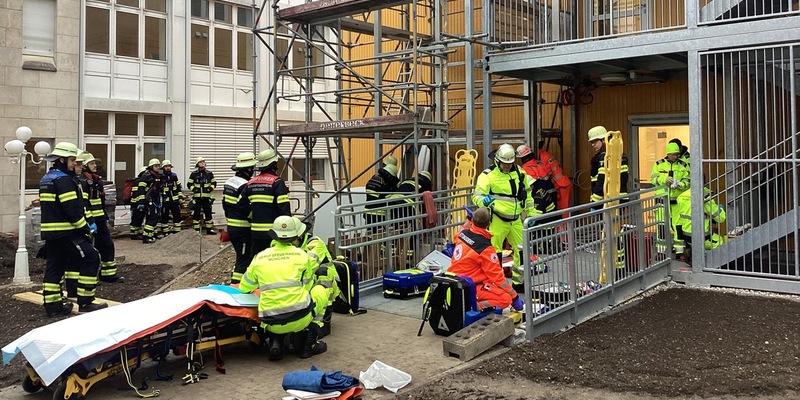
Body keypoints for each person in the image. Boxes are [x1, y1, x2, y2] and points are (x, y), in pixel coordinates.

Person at [239, 216, 329, 361]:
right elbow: (306, 287)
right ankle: (309, 343)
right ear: (296, 236)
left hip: (270, 322)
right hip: (300, 318)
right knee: (320, 291)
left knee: (269, 302)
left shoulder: (260, 258)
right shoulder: (302, 256)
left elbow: (244, 287)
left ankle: (276, 341)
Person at [39, 142, 107, 316]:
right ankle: (86, 301)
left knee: (56, 266)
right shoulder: (65, 180)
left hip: (51, 233)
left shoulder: (47, 178)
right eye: (72, 160)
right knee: (92, 256)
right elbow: (72, 210)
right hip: (66, 231)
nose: (76, 164)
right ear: (61, 159)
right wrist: (86, 228)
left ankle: (53, 306)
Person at [472, 143, 538, 289]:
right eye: (504, 164)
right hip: (497, 219)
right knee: (495, 254)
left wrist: (531, 214)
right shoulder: (487, 175)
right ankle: (496, 285)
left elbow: (527, 195)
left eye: (509, 163)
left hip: (516, 221)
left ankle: (519, 283)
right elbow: (476, 196)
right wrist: (484, 201)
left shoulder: (520, 173)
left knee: (522, 252)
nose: (507, 166)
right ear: (497, 161)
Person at [446, 207, 523, 311]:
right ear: (489, 224)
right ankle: (474, 307)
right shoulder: (486, 248)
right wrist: (515, 297)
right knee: (505, 299)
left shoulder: (462, 235)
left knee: (493, 286)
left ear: (473, 220)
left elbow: (463, 229)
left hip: (454, 281)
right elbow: (498, 278)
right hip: (472, 286)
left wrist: (469, 219)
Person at [78, 152, 123, 283]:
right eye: (91, 163)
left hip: (100, 220)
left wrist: (104, 216)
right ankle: (87, 278)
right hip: (90, 221)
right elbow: (84, 204)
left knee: (107, 246)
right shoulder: (83, 182)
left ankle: (108, 274)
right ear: (85, 166)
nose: (95, 165)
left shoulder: (95, 181)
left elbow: (100, 201)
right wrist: (90, 221)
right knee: (89, 251)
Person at [293, 216, 339, 337]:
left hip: (325, 282)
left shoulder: (315, 243)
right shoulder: (288, 245)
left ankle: (323, 323)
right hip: (305, 280)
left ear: (300, 235)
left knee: (323, 274)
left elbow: (310, 265)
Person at [240, 149, 291, 256]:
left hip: (255, 232)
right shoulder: (277, 183)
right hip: (274, 233)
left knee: (257, 260)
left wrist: (252, 217)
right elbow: (284, 209)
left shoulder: (250, 183)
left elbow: (241, 206)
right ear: (273, 165)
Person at [223, 152, 257, 284]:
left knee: (240, 257)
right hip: (243, 229)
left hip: (231, 226)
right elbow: (245, 208)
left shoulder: (229, 182)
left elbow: (226, 205)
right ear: (248, 169)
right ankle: (235, 286)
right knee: (243, 259)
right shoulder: (245, 185)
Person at [386, 170, 433, 266]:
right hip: (406, 205)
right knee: (413, 232)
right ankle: (407, 259)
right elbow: (427, 198)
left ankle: (393, 256)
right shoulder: (426, 182)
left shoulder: (409, 179)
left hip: (392, 203)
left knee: (396, 230)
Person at [650, 142, 690, 254]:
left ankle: (679, 250)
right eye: (673, 154)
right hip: (662, 199)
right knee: (662, 224)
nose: (675, 157)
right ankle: (661, 251)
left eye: (677, 154)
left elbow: (688, 180)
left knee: (678, 225)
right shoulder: (659, 164)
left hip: (677, 200)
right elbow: (653, 179)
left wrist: (680, 185)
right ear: (668, 154)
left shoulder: (683, 165)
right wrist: (664, 179)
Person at [673, 187, 726, 262]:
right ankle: (711, 262)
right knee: (720, 241)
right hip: (701, 236)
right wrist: (720, 208)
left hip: (685, 234)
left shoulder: (681, 197)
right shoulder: (705, 199)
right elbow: (721, 218)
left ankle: (693, 253)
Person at [516, 142, 573, 212]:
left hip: (543, 194)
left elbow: (531, 185)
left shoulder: (525, 168)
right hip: (552, 191)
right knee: (557, 215)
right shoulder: (540, 163)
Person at [587, 126, 629, 203]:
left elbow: (602, 179)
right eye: (591, 142)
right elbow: (624, 177)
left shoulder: (604, 157)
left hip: (604, 201)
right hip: (619, 198)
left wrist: (595, 201)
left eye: (595, 141)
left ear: (603, 140)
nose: (593, 145)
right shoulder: (620, 154)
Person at [364, 158, 400, 233]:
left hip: (368, 213)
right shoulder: (385, 184)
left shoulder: (374, 178)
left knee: (371, 237)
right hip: (379, 214)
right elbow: (389, 199)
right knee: (381, 238)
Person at [136, 159, 164, 244]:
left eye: (158, 166)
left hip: (156, 199)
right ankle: (146, 237)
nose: (158, 167)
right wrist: (141, 201)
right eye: (156, 166)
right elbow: (141, 189)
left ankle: (152, 235)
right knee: (152, 217)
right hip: (149, 199)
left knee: (155, 217)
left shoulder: (158, 176)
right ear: (151, 167)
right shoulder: (146, 176)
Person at [187, 156, 217, 235]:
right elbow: (189, 184)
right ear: (197, 164)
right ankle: (196, 230)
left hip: (206, 197)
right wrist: (194, 189)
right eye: (200, 162)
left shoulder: (209, 173)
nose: (202, 163)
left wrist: (210, 188)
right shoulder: (194, 174)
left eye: (203, 162)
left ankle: (209, 229)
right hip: (197, 198)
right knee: (196, 213)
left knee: (208, 213)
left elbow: (214, 183)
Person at [160, 160, 184, 236]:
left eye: (169, 166)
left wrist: (180, 197)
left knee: (177, 215)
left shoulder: (174, 176)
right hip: (165, 200)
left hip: (174, 200)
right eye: (166, 166)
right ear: (163, 168)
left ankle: (177, 231)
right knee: (165, 216)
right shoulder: (160, 177)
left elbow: (178, 187)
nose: (168, 168)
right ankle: (165, 232)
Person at [128, 166, 147, 240]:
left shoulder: (140, 181)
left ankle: (138, 233)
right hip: (136, 203)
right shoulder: (138, 182)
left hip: (138, 203)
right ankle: (133, 234)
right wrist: (140, 202)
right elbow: (137, 193)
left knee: (140, 218)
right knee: (136, 219)